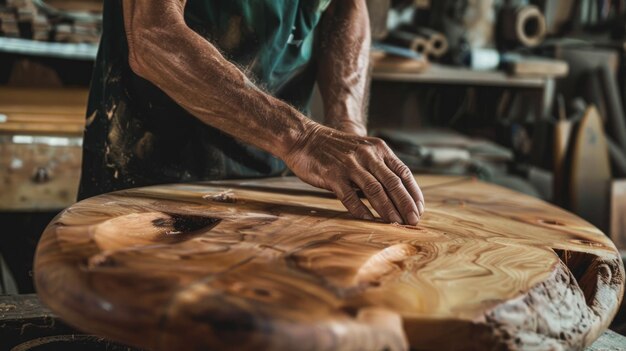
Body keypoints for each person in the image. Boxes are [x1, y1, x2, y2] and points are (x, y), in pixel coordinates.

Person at [78, 0, 425, 225]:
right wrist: (302, 138)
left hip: (278, 176)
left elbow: (345, 7)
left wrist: (346, 123)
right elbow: (154, 36)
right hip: (155, 169)